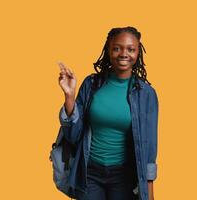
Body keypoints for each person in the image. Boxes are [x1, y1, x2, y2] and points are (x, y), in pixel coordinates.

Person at [57, 26, 159, 200]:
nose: (123, 54)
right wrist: (69, 96)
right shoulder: (91, 85)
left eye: (130, 49)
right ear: (108, 50)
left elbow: (149, 146)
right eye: (117, 48)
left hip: (124, 176)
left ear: (138, 53)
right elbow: (73, 136)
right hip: (89, 173)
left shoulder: (146, 94)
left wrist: (148, 193)